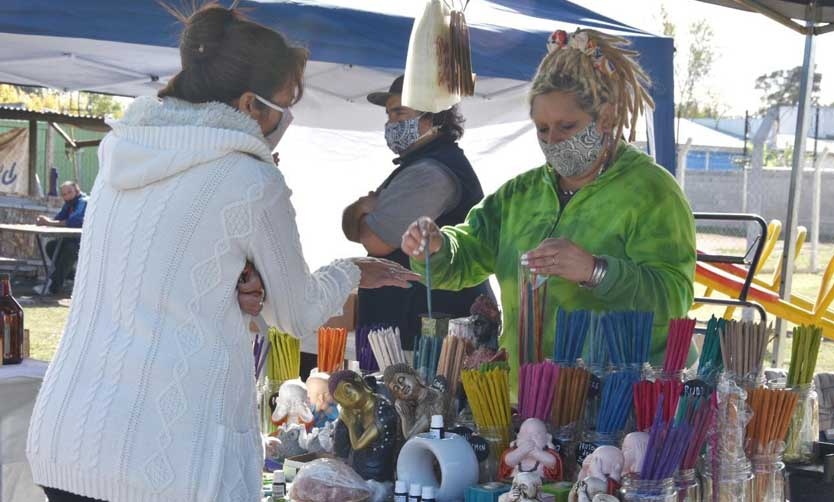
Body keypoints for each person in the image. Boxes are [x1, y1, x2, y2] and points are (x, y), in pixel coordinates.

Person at [26, 6, 418, 502]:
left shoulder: (125, 155)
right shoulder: (249, 179)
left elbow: (171, 265)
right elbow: (296, 312)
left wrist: (239, 276)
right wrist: (350, 270)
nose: (286, 120)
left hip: (70, 437)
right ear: (250, 104)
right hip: (162, 462)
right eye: (283, 104)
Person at [402, 29, 696, 392]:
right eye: (542, 129)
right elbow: (466, 253)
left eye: (567, 126)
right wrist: (436, 247)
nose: (553, 141)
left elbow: (674, 300)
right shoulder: (520, 194)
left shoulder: (652, 191)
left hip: (615, 405)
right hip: (525, 398)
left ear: (605, 117)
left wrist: (595, 271)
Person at [342, 75, 493, 351]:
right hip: (413, 325)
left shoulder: (431, 172)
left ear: (434, 117)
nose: (391, 123)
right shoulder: (418, 166)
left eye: (400, 112)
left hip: (429, 332)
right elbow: (355, 230)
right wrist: (360, 212)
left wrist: (363, 211)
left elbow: (375, 240)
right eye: (388, 114)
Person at [330, 370, 399, 482]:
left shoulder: (384, 410)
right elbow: (340, 449)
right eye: (342, 398)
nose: (348, 397)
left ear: (358, 380)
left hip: (378, 476)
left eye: (347, 389)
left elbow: (357, 445)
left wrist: (350, 425)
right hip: (356, 471)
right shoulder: (353, 412)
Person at [36, 181, 87, 295]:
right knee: (51, 247)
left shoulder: (83, 202)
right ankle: (72, 277)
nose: (67, 196)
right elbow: (58, 218)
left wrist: (49, 222)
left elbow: (75, 221)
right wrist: (45, 221)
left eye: (69, 192)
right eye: (64, 194)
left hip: (86, 243)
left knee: (70, 250)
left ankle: (53, 287)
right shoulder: (69, 204)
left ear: (77, 191)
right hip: (71, 239)